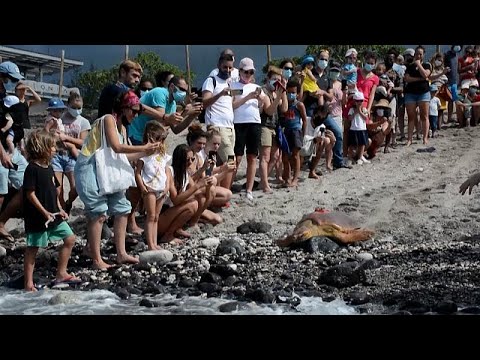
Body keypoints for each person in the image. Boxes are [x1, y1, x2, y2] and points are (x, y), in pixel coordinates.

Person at [75, 90, 160, 270]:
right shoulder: (108, 119)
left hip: (106, 170)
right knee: (98, 212)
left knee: (122, 208)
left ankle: (121, 254)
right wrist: (144, 146)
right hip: (89, 167)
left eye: (138, 112)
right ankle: (96, 259)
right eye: (134, 111)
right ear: (123, 108)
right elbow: (117, 147)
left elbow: (124, 156)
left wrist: (146, 152)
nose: (135, 115)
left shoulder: (122, 128)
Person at [22, 130, 79, 291]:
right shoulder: (32, 169)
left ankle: (61, 273)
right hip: (37, 216)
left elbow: (55, 191)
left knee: (70, 238)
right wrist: (44, 212)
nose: (55, 149)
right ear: (42, 148)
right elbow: (30, 194)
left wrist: (59, 208)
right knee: (33, 248)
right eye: (52, 146)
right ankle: (28, 283)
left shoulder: (49, 167)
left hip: (53, 214)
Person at [158, 144, 214, 244]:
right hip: (161, 216)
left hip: (171, 214)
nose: (190, 162)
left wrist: (208, 186)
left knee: (198, 200)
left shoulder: (185, 174)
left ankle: (177, 229)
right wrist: (198, 186)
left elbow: (198, 194)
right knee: (192, 204)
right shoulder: (170, 171)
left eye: (192, 159)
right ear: (179, 160)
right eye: (187, 160)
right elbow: (175, 200)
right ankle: (168, 235)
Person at [135, 121, 170, 250]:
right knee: (150, 216)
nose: (160, 142)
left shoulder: (162, 154)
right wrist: (142, 187)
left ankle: (154, 243)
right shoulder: (144, 155)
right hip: (149, 188)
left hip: (161, 187)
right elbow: (138, 172)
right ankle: (150, 244)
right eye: (158, 139)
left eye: (162, 140)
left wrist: (167, 185)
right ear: (150, 137)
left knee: (156, 217)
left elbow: (166, 170)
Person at [54, 92, 91, 213]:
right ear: (68, 105)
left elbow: (83, 142)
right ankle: (62, 210)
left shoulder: (83, 122)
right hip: (58, 155)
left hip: (73, 157)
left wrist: (67, 139)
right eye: (73, 107)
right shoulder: (60, 118)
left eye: (79, 108)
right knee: (58, 188)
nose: (76, 110)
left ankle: (69, 202)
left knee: (75, 188)